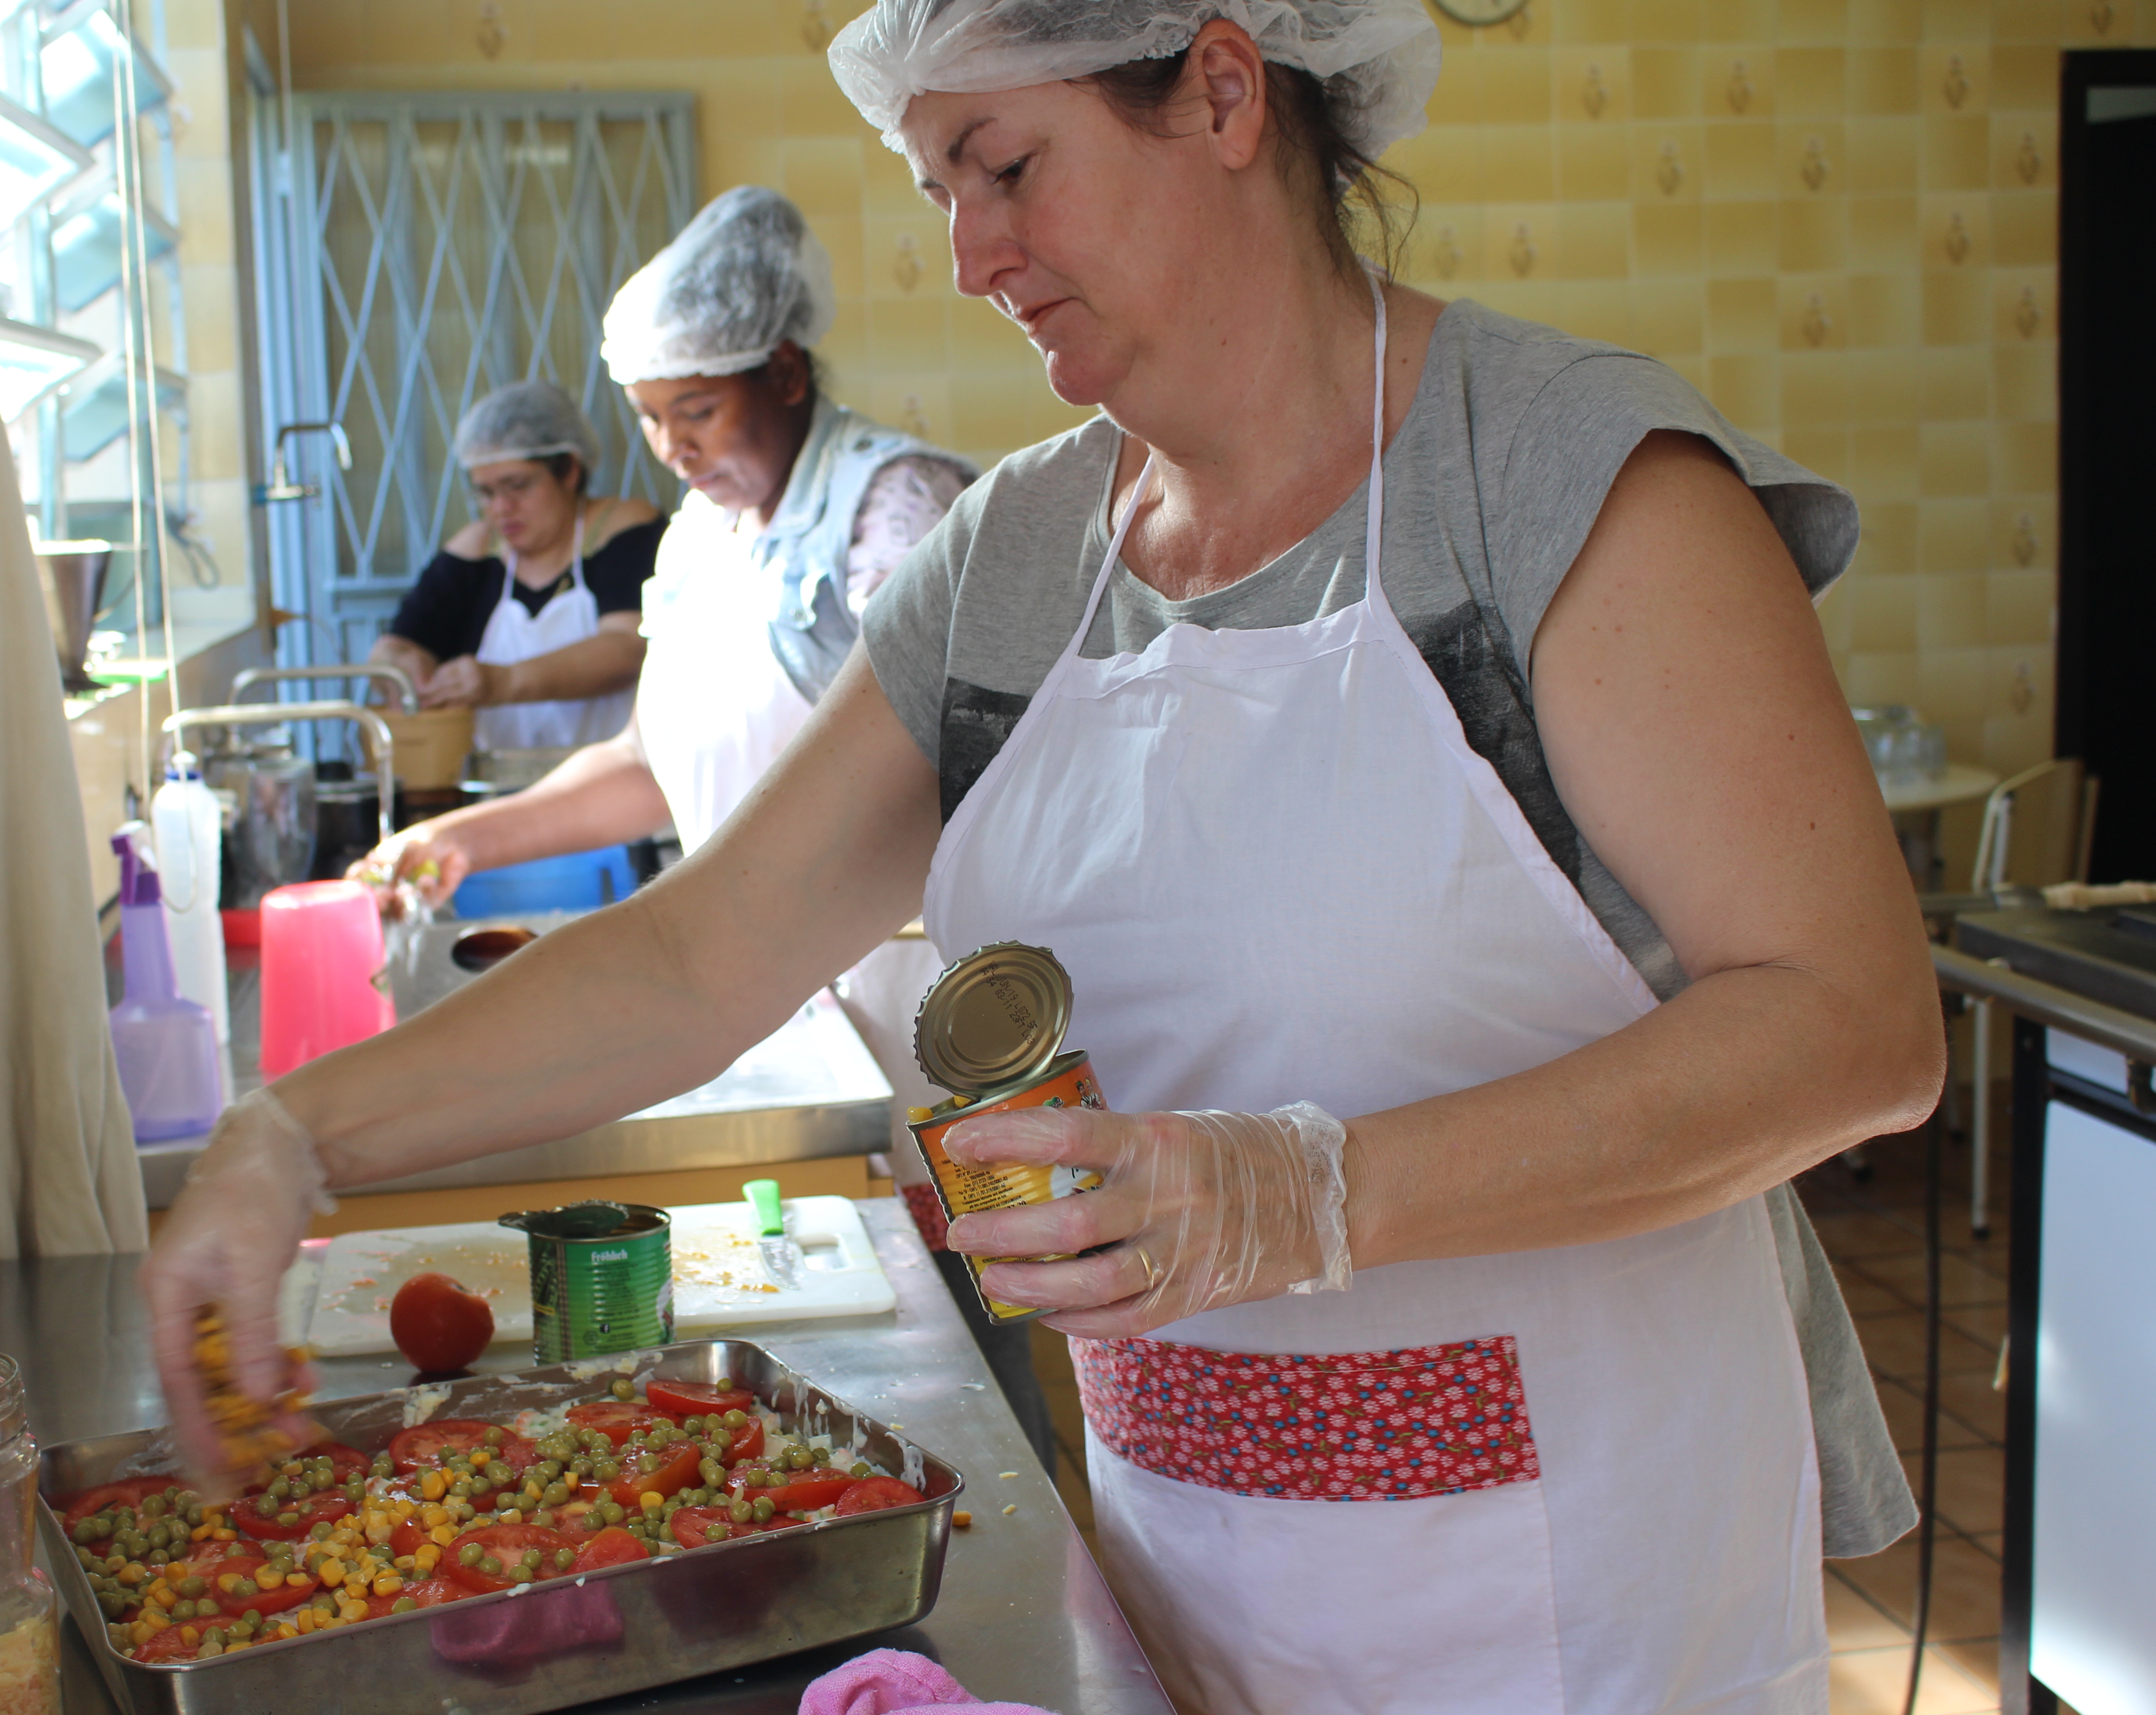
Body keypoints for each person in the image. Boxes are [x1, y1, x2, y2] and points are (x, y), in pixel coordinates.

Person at [147, 6, 1943, 1707]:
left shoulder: (1555, 484)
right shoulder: (1018, 562)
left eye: (1005, 167)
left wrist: (1319, 1192)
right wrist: (292, 1137)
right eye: (937, 191)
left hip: (1574, 1597)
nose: (966, 254)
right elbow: (702, 955)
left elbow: (1853, 1023)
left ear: (1227, 94)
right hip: (1192, 1568)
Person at [344, 191, 1052, 1459]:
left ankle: (1038, 1573)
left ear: (782, 370)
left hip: (933, 1016)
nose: (670, 445)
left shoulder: (891, 512)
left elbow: (978, 771)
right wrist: (468, 839)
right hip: (772, 999)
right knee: (849, 1350)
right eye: (649, 418)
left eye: (699, 410)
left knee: (991, 1350)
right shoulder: (702, 539)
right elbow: (649, 762)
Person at [368, 380, 664, 750]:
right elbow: (394, 649)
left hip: (621, 786)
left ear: (570, 471)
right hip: (499, 781)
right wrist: (398, 668)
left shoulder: (622, 529)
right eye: (486, 493)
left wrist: (502, 682)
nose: (501, 508)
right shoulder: (476, 552)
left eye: (518, 486)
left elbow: (626, 647)